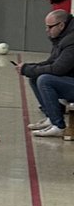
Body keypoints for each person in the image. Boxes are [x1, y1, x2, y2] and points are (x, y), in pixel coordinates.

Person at [17, 9, 74, 137]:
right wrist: (29, 68)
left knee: (45, 80)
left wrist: (29, 69)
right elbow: (51, 62)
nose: (47, 30)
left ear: (61, 25)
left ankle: (58, 126)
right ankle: (50, 118)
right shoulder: (63, 38)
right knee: (35, 77)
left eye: (49, 27)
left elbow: (59, 69)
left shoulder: (71, 40)